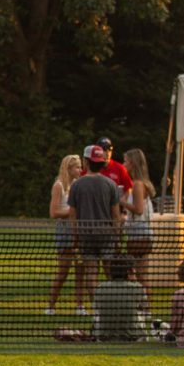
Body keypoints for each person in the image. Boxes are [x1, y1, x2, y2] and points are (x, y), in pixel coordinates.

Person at [67, 144, 122, 307]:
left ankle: (98, 307)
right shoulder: (111, 184)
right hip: (107, 234)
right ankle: (113, 305)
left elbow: (72, 215)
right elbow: (116, 215)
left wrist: (75, 237)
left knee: (91, 273)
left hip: (86, 234)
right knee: (110, 272)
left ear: (86, 161)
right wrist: (118, 237)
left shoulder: (77, 185)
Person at [47, 154, 86, 315]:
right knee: (63, 271)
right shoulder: (59, 185)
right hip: (64, 232)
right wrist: (71, 213)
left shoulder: (78, 185)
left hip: (77, 231)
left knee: (80, 270)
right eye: (77, 167)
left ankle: (80, 305)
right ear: (69, 169)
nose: (80, 170)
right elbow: (54, 212)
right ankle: (51, 305)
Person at [121, 148, 156, 298]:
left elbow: (138, 209)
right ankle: (143, 305)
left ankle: (145, 306)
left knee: (137, 273)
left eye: (126, 161)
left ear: (133, 163)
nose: (123, 164)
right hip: (140, 231)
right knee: (139, 273)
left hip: (139, 233)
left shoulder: (138, 184)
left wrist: (121, 201)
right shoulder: (137, 184)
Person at [91, 256, 149, 342]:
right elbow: (144, 307)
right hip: (132, 337)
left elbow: (96, 309)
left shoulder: (100, 288)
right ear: (129, 271)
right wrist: (134, 279)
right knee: (140, 314)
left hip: (103, 337)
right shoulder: (137, 288)